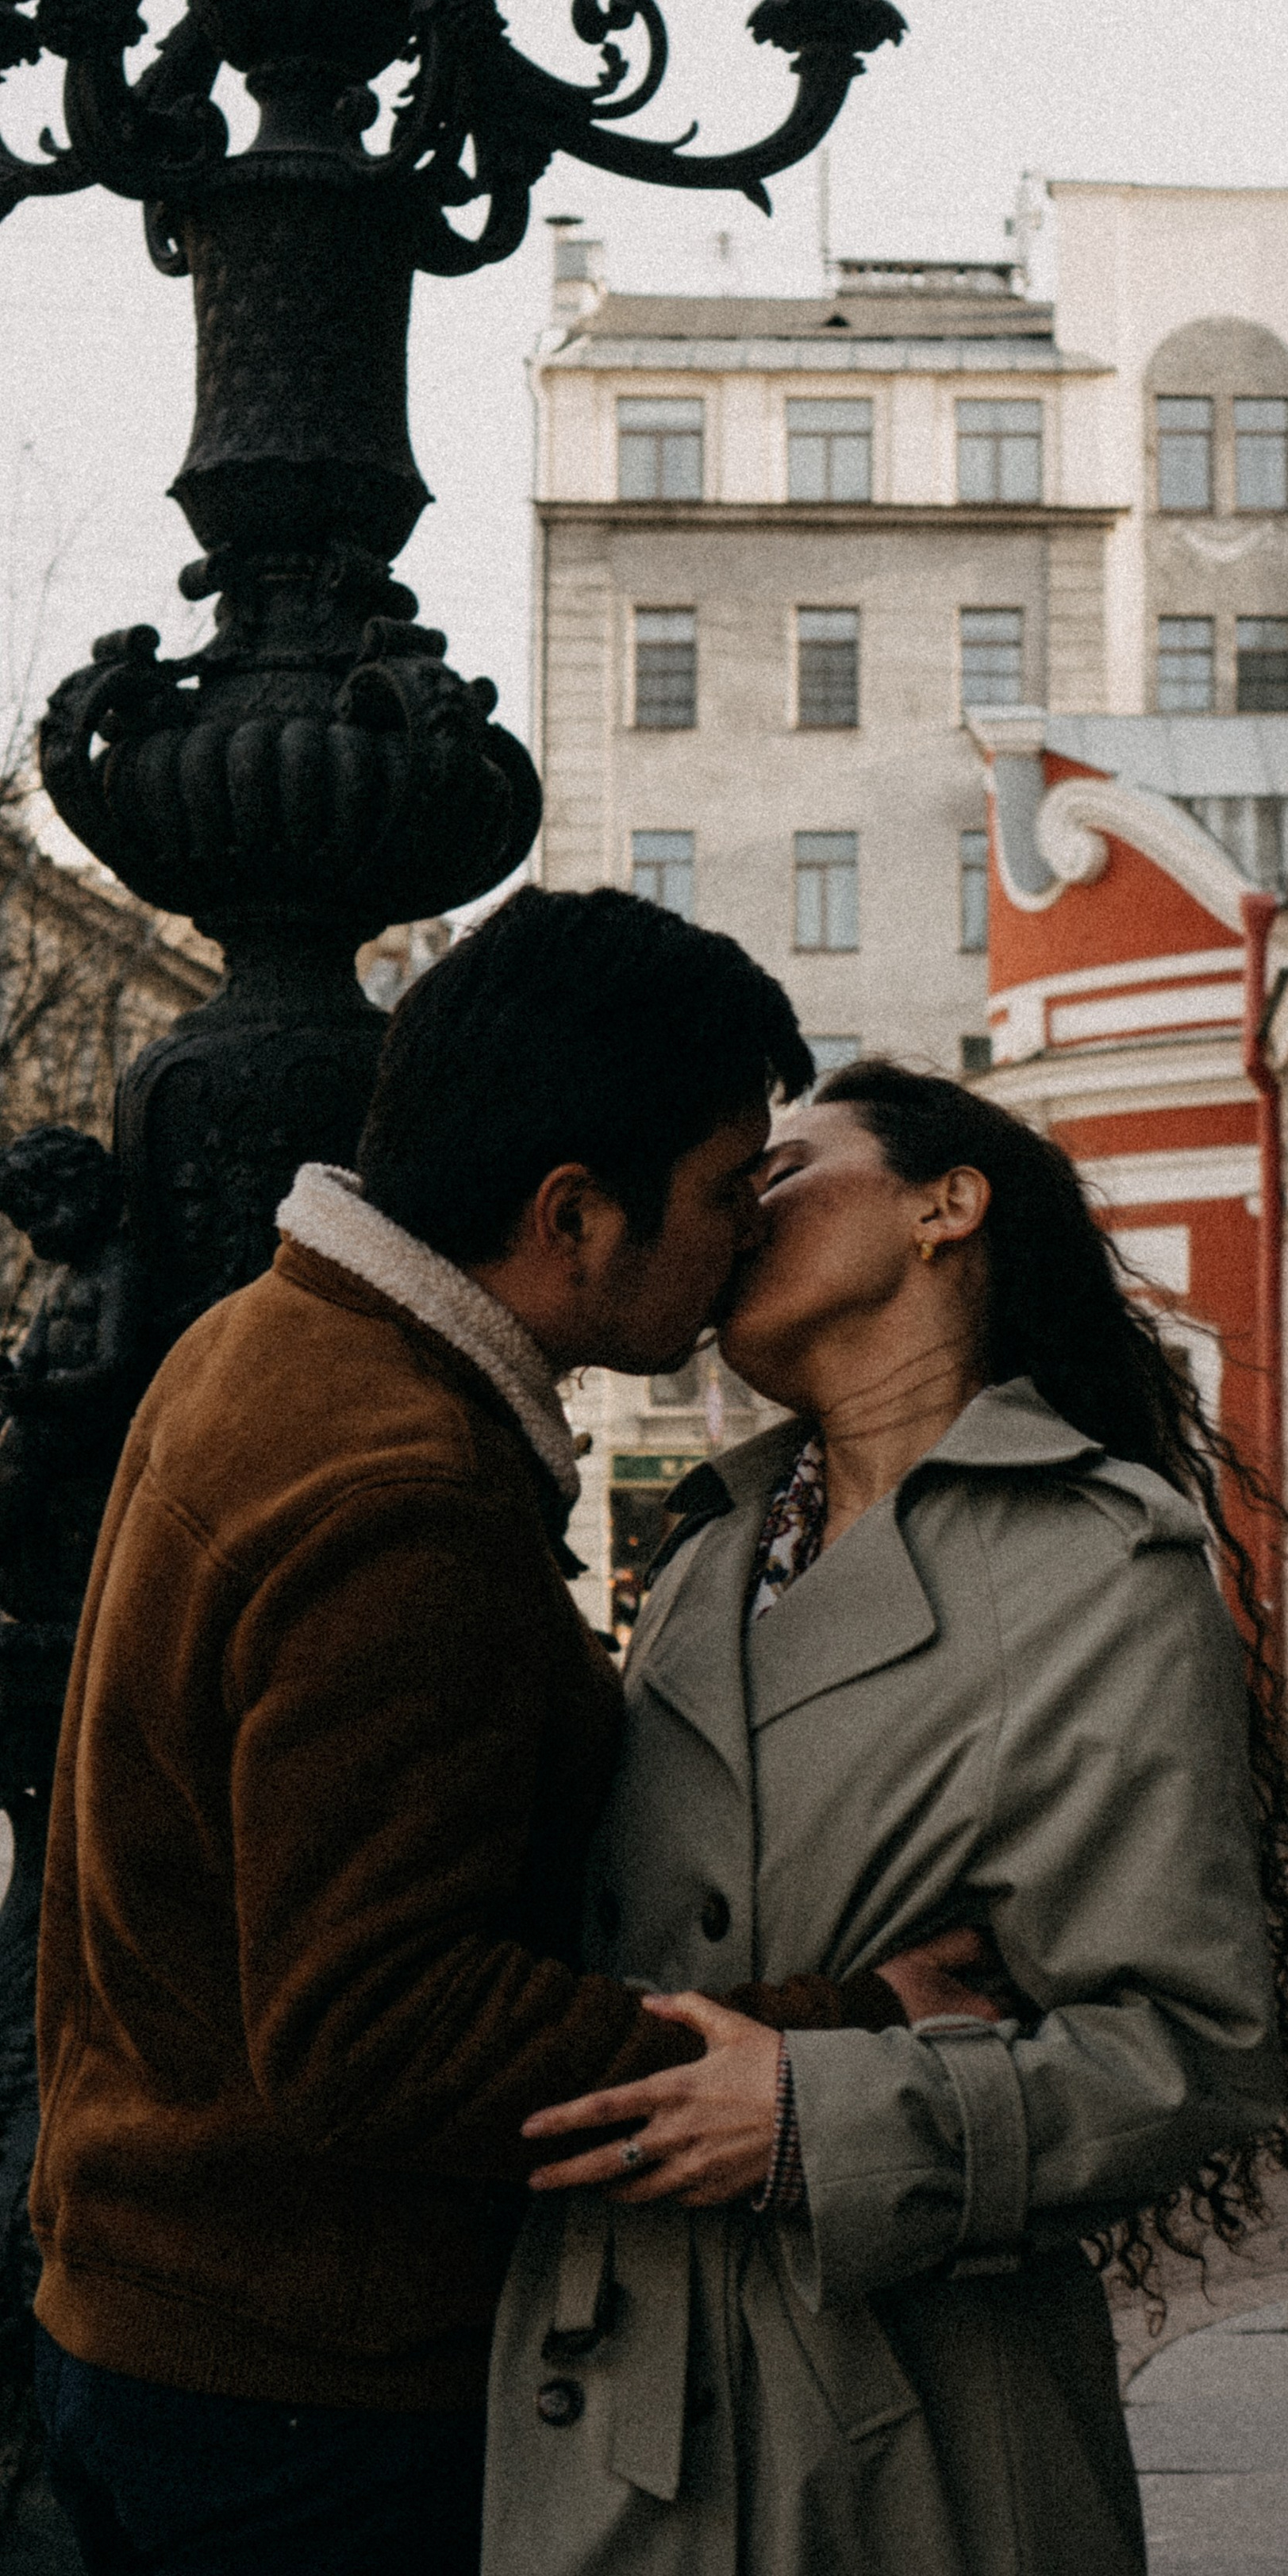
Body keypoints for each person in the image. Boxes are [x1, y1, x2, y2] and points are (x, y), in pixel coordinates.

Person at [29, 895, 981, 2576]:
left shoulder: (265, 1337)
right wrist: (840, 2030)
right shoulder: (402, 1496)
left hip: (164, 2330)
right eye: (716, 1193)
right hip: (307, 2408)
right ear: (571, 1215)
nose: (739, 1244)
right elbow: (381, 2034)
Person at [484, 1059, 1288, 2576]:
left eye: (783, 1169)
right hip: (610, 2381)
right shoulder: (711, 1545)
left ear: (944, 1206)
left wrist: (808, 2117)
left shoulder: (1097, 1558)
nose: (737, 1209)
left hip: (899, 2419)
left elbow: (1189, 2055)